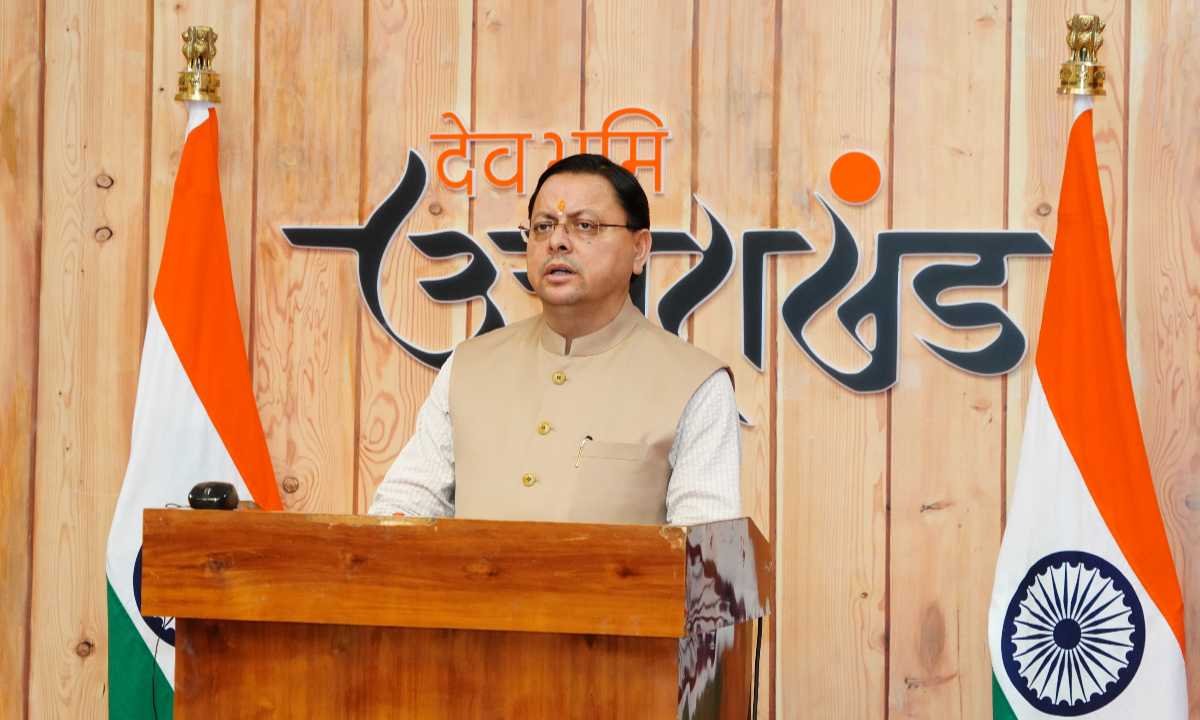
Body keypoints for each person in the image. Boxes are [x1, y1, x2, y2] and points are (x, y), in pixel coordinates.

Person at [368, 154, 740, 525]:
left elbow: (704, 550)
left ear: (639, 249)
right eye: (543, 226)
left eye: (585, 226)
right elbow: (403, 507)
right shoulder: (468, 368)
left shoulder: (695, 384)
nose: (557, 242)